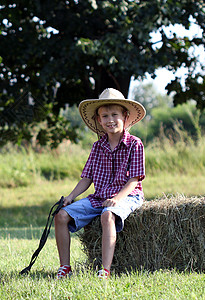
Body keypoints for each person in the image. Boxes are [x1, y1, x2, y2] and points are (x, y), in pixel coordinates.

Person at [54, 88, 146, 279]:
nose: (110, 120)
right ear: (98, 120)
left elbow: (134, 180)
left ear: (125, 117)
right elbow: (87, 178)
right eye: (105, 116)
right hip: (100, 196)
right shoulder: (98, 146)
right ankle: (65, 267)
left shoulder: (135, 144)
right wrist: (71, 196)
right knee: (61, 216)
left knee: (107, 216)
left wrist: (117, 198)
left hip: (128, 195)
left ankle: (105, 270)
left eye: (115, 115)